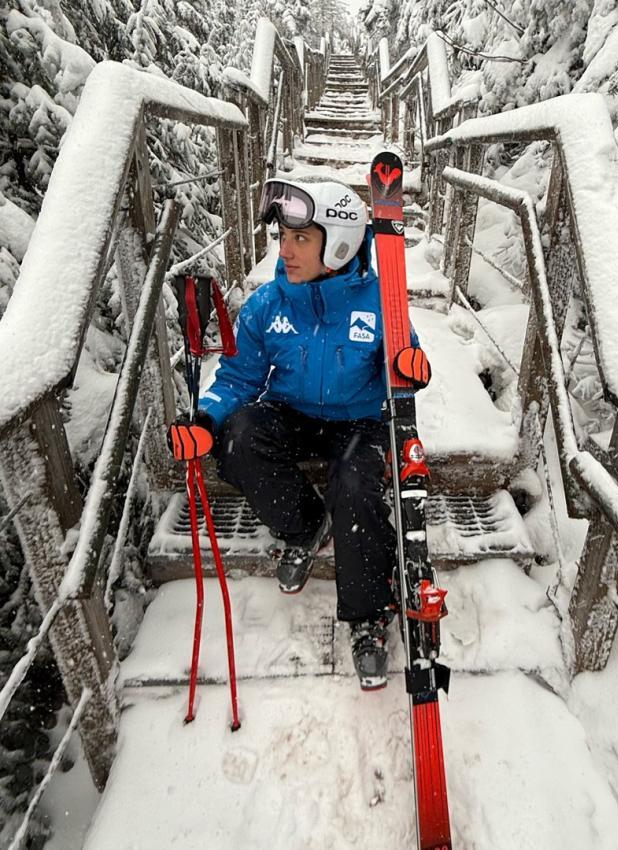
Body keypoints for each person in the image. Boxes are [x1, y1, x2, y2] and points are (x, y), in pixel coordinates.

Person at [167, 177, 431, 691]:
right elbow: (239, 379)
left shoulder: (381, 302)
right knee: (239, 438)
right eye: (283, 238)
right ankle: (306, 526)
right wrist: (207, 421)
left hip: (359, 420)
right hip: (292, 411)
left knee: (355, 487)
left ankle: (368, 615)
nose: (284, 251)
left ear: (339, 245)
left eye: (301, 239)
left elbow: (404, 358)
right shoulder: (268, 304)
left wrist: (410, 366)